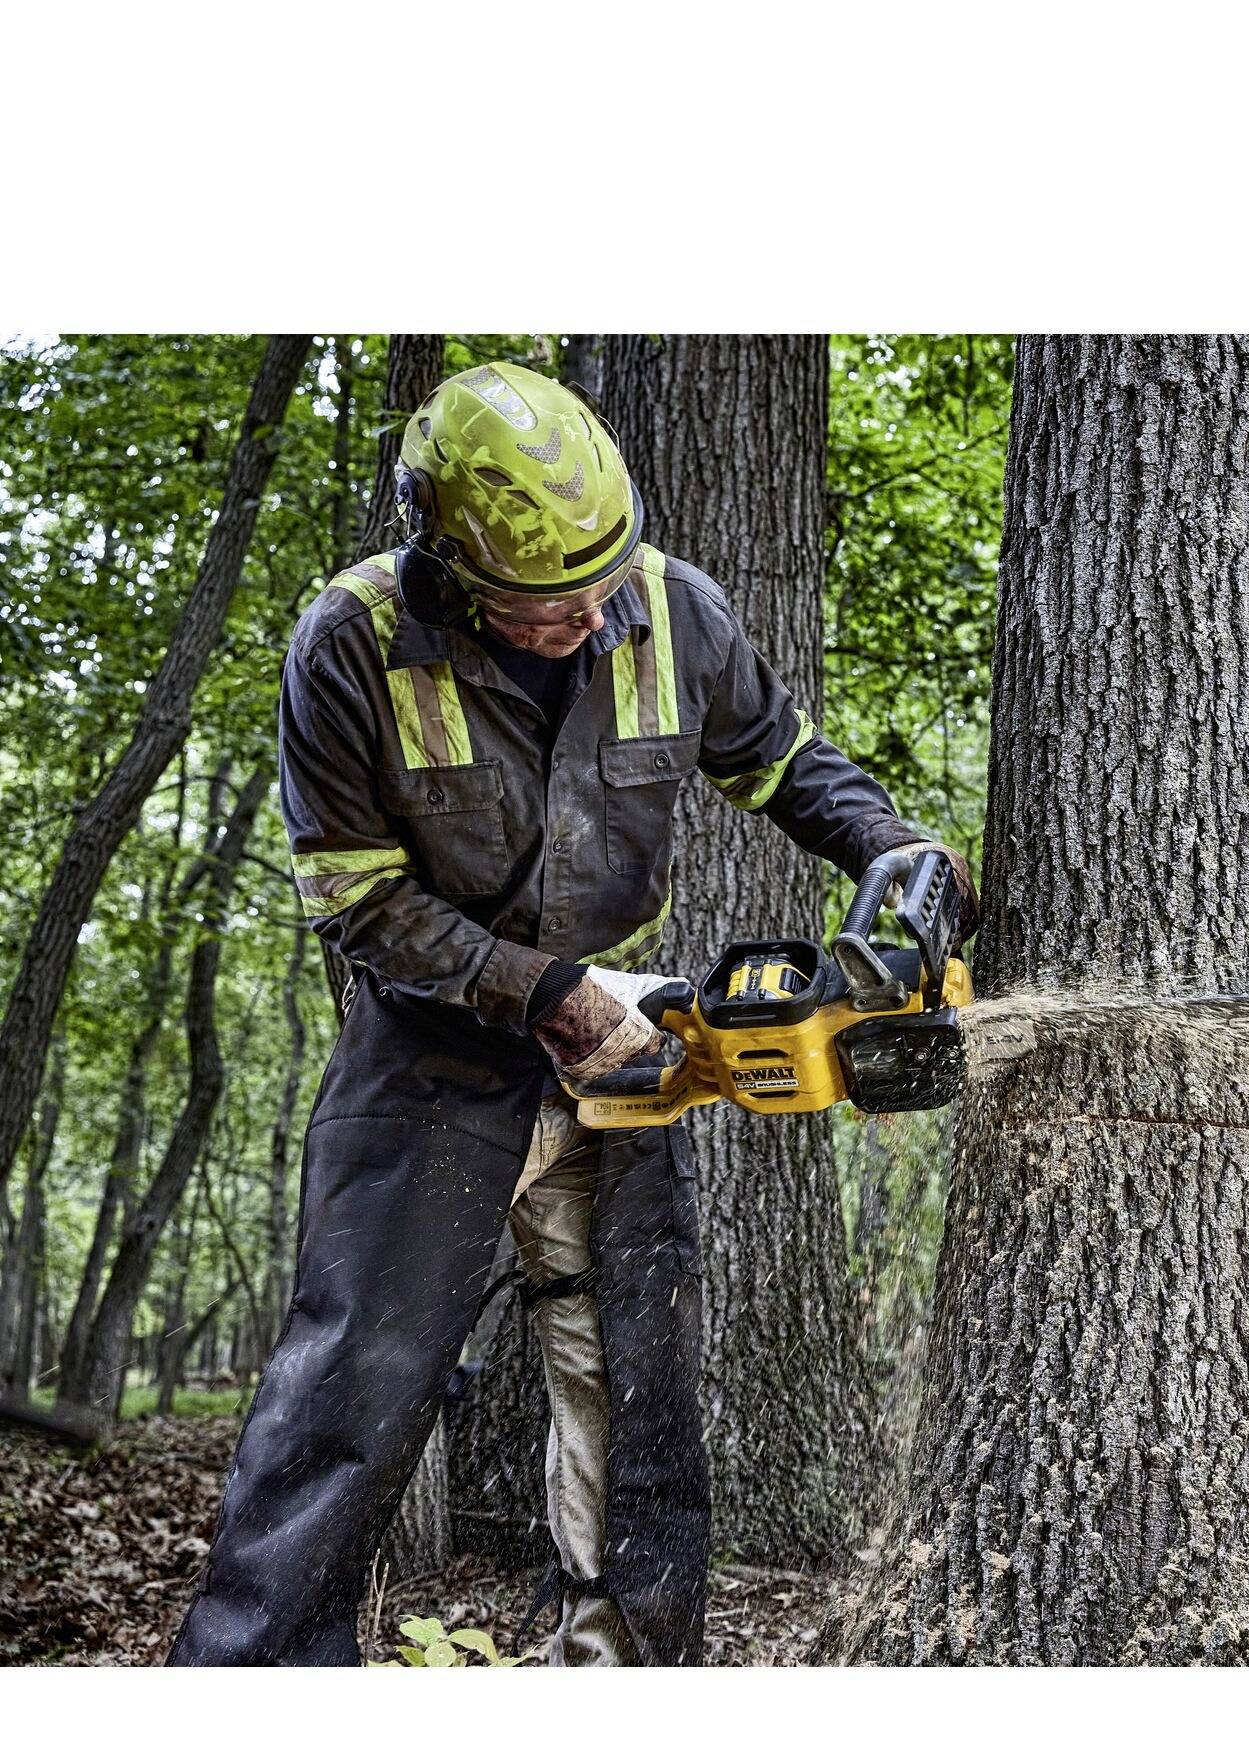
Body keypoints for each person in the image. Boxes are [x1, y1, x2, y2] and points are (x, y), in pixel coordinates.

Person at [168, 360, 973, 1666]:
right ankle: (259, 1674)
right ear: (447, 567)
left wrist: (895, 853)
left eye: (601, 581)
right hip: (432, 1047)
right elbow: (359, 901)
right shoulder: (354, 645)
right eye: (546, 603)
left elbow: (782, 761)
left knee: (636, 1376)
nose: (587, 614)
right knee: (353, 1386)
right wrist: (544, 995)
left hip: (636, 1036)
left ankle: (627, 1659)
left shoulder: (673, 610)